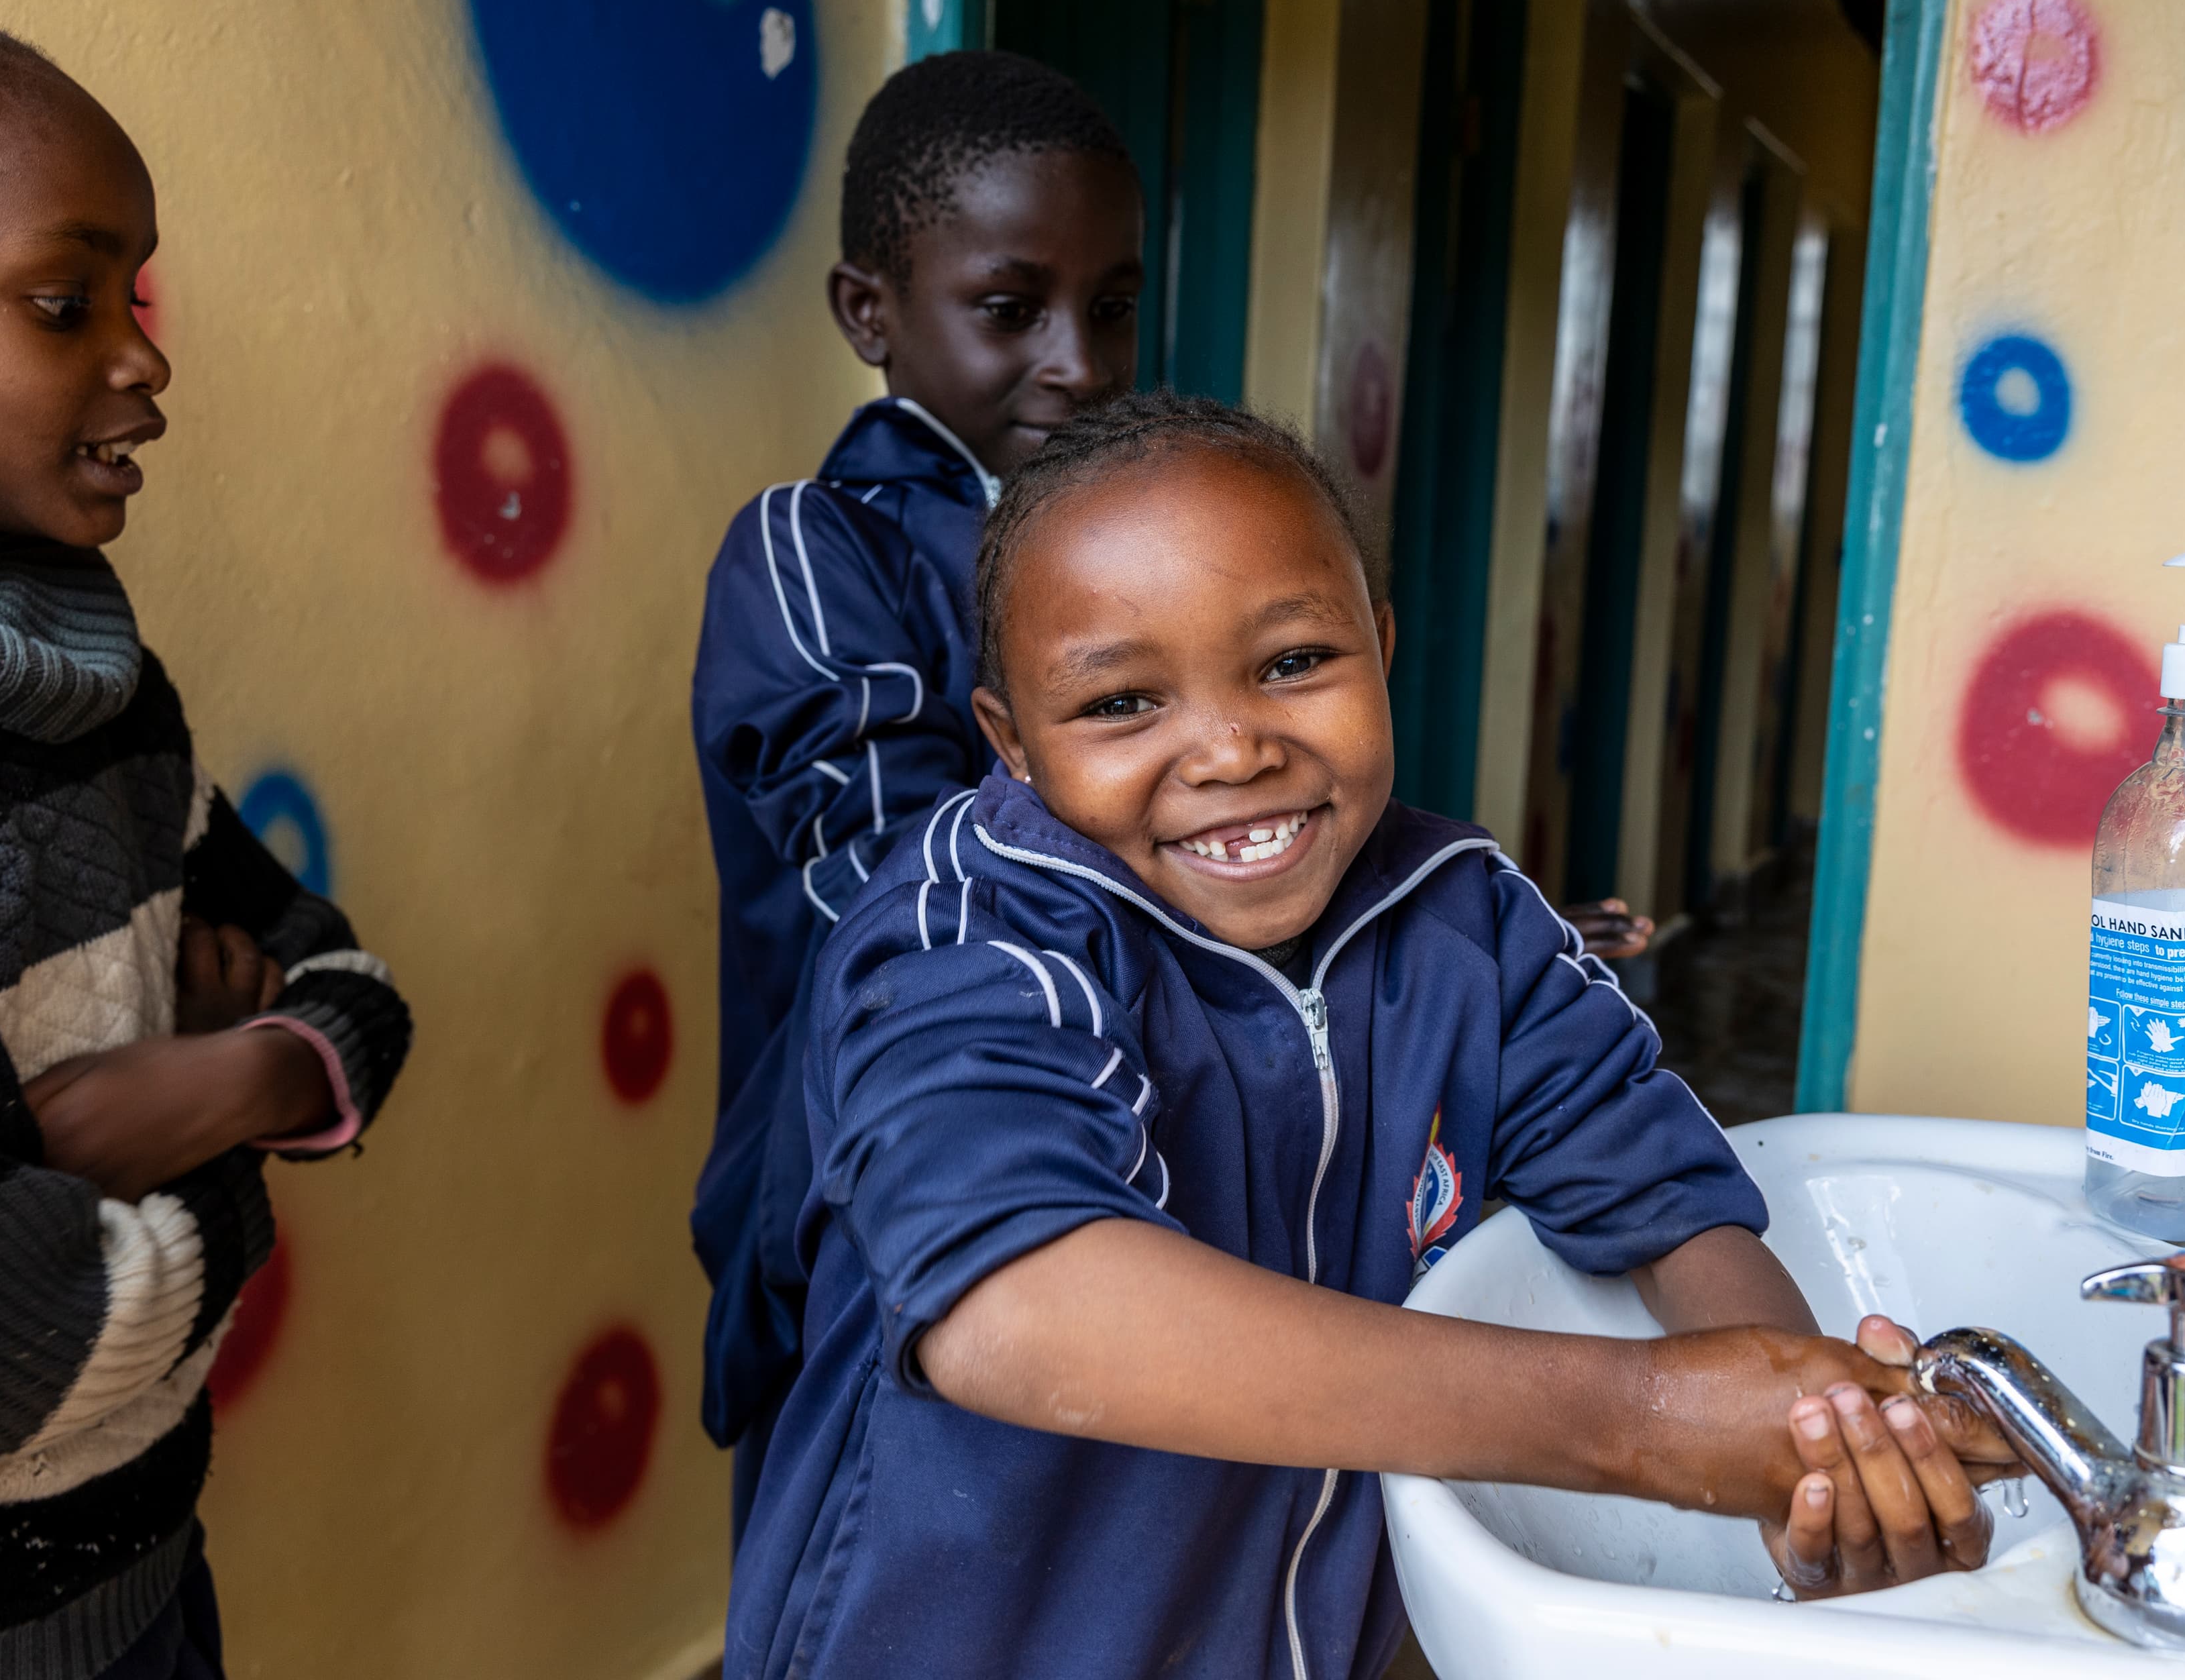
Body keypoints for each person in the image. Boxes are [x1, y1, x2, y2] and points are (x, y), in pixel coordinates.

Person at [726, 393, 2013, 1679]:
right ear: (1008, 742)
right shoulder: (973, 937)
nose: (1232, 750)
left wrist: (1817, 1437)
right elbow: (1020, 1308)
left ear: (1379, 646)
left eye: (1293, 664)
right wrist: (1651, 1424)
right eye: (1122, 703)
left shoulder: (1467, 921)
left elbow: (1667, 1201)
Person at [0, 21, 413, 1680]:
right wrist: (245, 1163)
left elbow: (353, 982)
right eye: (63, 301)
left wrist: (214, 1085)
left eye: (135, 298)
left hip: (154, 1588)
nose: (145, 360)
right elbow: (6, 1344)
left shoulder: (113, 706)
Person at [688, 48, 1146, 1536]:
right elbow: (906, 891)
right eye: (1013, 309)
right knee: (880, 1554)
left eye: (1113, 305)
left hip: (1107, 1144)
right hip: (876, 1180)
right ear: (870, 312)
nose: (1079, 359)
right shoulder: (815, 554)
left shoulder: (1117, 550)